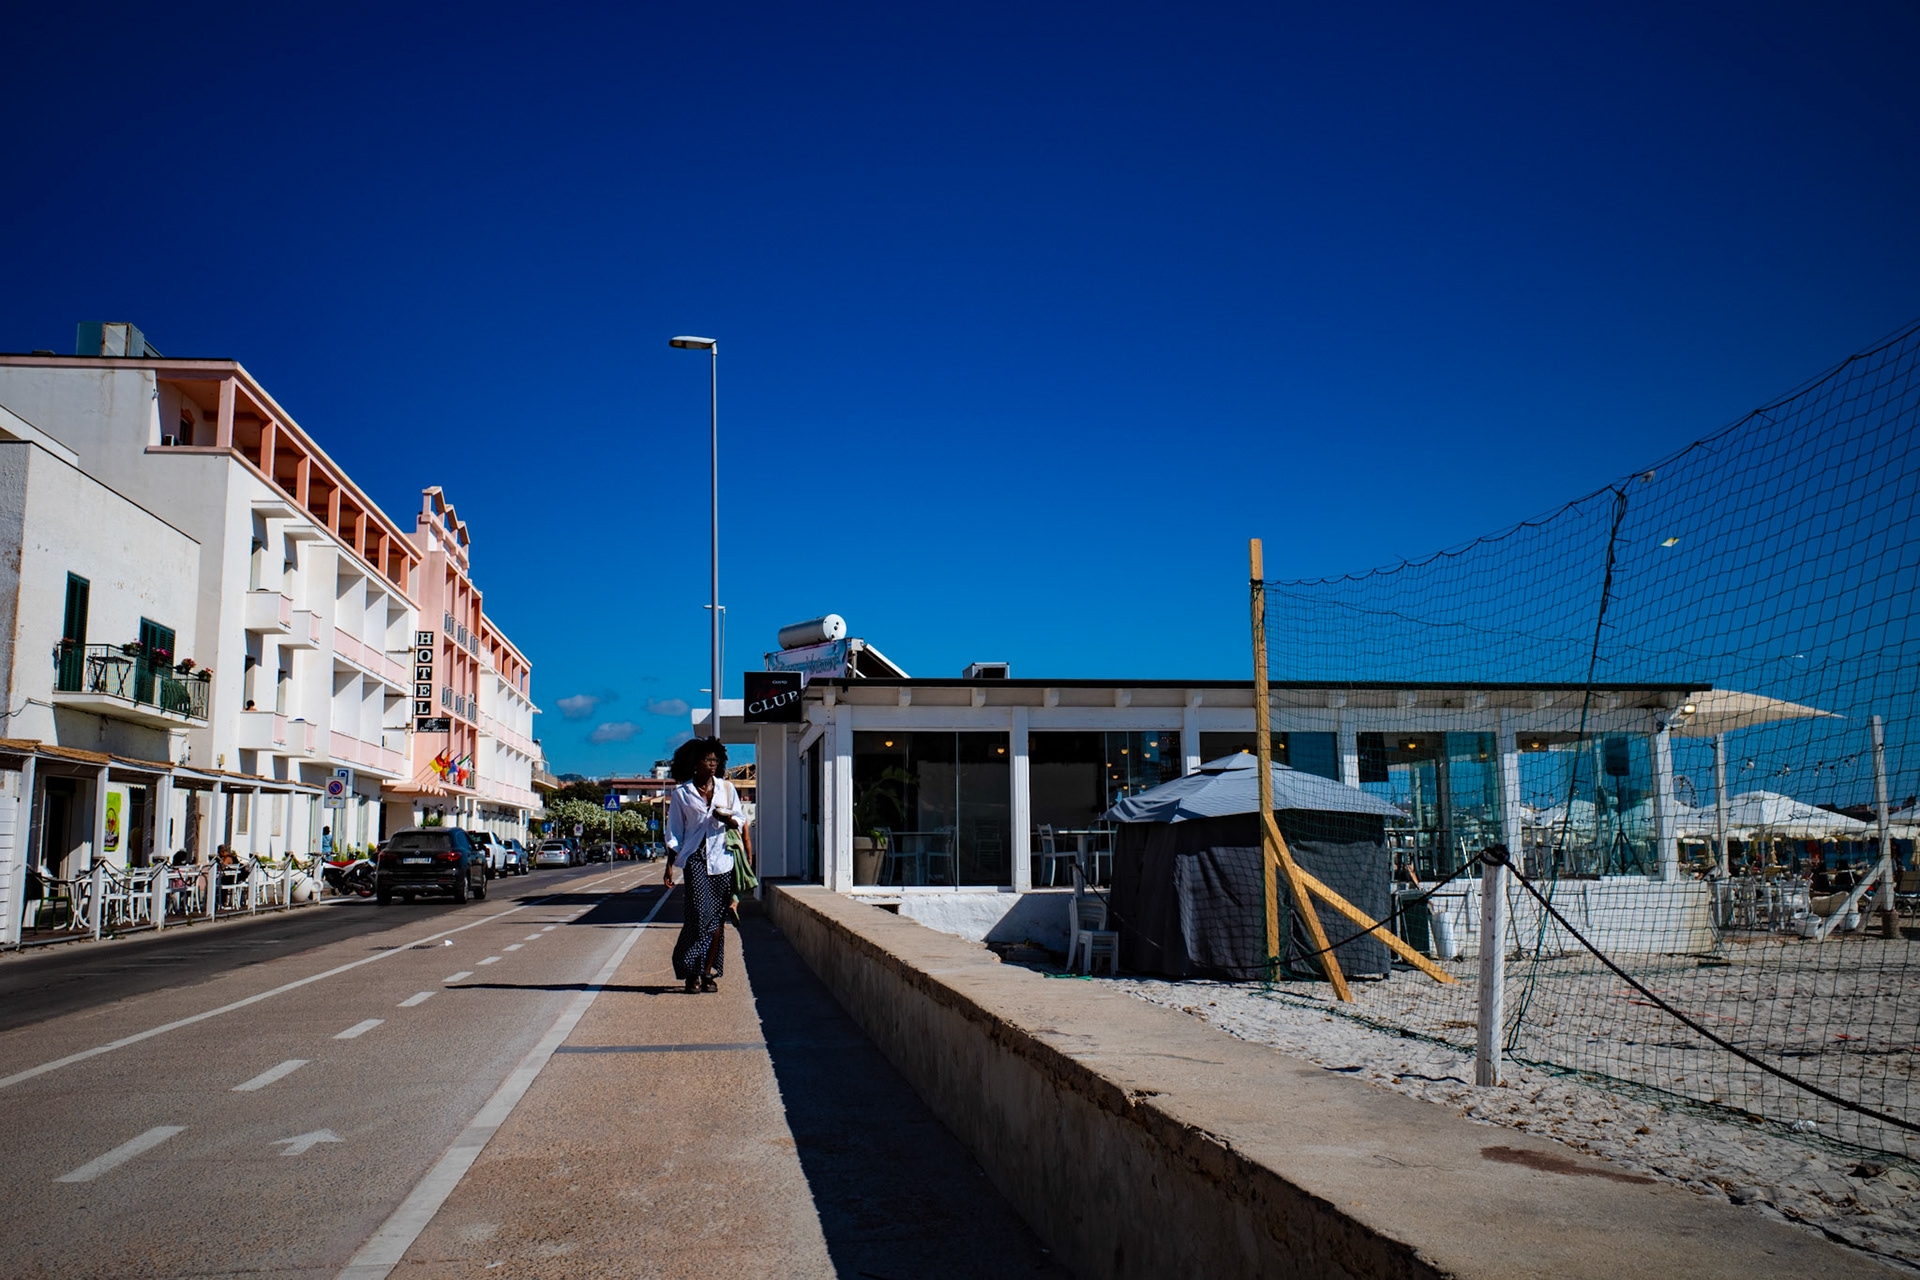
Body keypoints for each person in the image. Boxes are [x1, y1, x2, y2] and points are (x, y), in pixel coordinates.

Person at [664, 737, 748, 994]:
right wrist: (669, 865)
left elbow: (740, 818)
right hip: (696, 859)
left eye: (715, 760)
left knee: (717, 920)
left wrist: (729, 819)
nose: (712, 764)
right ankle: (690, 969)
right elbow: (674, 832)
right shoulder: (681, 794)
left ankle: (706, 973)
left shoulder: (727, 789)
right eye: (707, 759)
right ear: (694, 763)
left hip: (722, 859)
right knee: (699, 916)